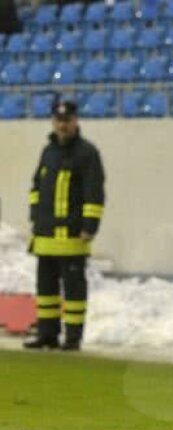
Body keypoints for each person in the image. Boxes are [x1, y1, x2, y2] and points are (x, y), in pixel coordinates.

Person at [24, 100, 105, 351]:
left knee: (73, 291)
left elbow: (94, 192)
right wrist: (35, 218)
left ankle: (72, 337)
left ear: (75, 121)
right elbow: (36, 188)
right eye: (59, 120)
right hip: (46, 235)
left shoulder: (87, 153)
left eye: (67, 120)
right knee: (45, 290)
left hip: (72, 237)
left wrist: (90, 226)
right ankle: (47, 334)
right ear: (53, 122)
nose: (62, 125)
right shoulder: (48, 151)